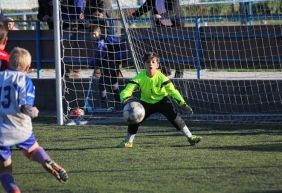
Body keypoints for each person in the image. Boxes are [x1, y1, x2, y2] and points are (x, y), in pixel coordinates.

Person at [0, 47, 68, 193]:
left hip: (1, 131)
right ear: (28, 67)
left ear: (9, 62)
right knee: (33, 149)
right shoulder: (25, 80)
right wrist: (34, 112)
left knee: (5, 172)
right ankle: (45, 160)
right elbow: (26, 107)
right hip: (21, 128)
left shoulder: (0, 76)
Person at [116, 51, 202, 148]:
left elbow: (173, 91)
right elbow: (128, 89)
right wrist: (125, 98)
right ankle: (128, 142)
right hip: (146, 102)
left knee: (175, 118)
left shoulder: (162, 78)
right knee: (134, 118)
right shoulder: (139, 77)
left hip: (162, 101)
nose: (150, 64)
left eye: (153, 62)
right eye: (148, 62)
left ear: (157, 65)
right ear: (144, 64)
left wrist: (182, 103)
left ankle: (190, 137)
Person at [90, 24, 127, 110]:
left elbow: (99, 54)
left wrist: (93, 64)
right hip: (108, 66)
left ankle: (106, 104)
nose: (92, 36)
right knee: (113, 85)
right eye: (91, 34)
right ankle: (117, 104)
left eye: (94, 34)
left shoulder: (103, 41)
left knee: (103, 84)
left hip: (110, 65)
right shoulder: (101, 41)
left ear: (99, 33)